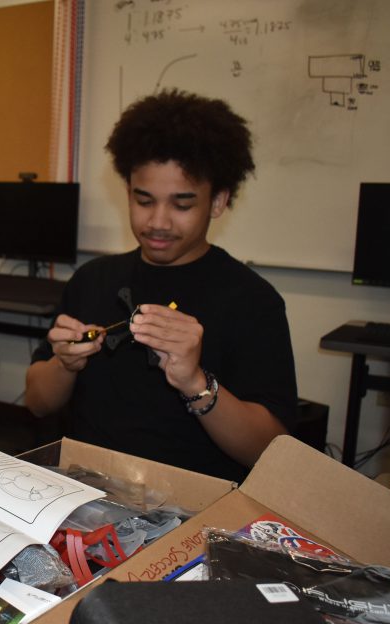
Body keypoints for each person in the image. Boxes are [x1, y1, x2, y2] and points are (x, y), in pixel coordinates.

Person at [25, 89, 296, 481]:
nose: (158, 222)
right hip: (84, 493)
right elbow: (37, 401)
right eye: (144, 200)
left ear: (218, 202)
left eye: (182, 205)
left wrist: (195, 382)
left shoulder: (252, 300)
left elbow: (268, 450)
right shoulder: (93, 279)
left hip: (191, 507)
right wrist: (65, 363)